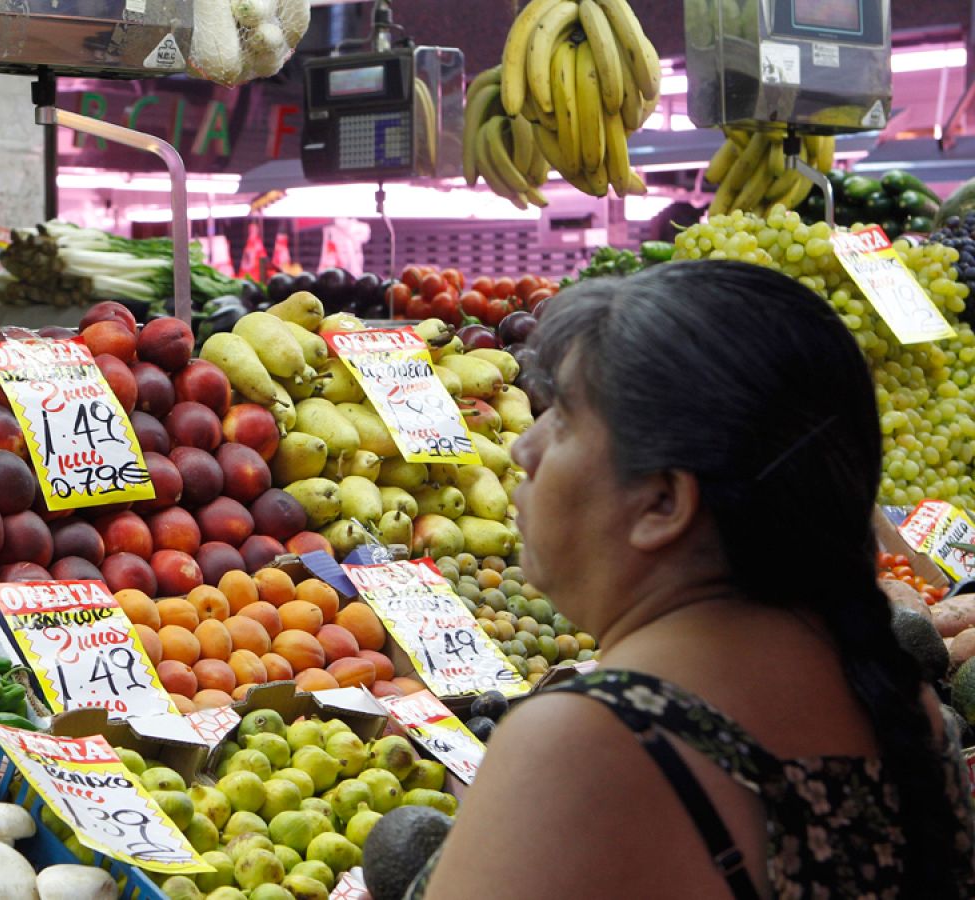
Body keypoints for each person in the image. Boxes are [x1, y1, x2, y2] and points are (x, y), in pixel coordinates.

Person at [417, 260, 975, 898]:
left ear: (662, 503)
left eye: (563, 421)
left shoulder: (586, 746)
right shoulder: (907, 714)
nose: (524, 448)